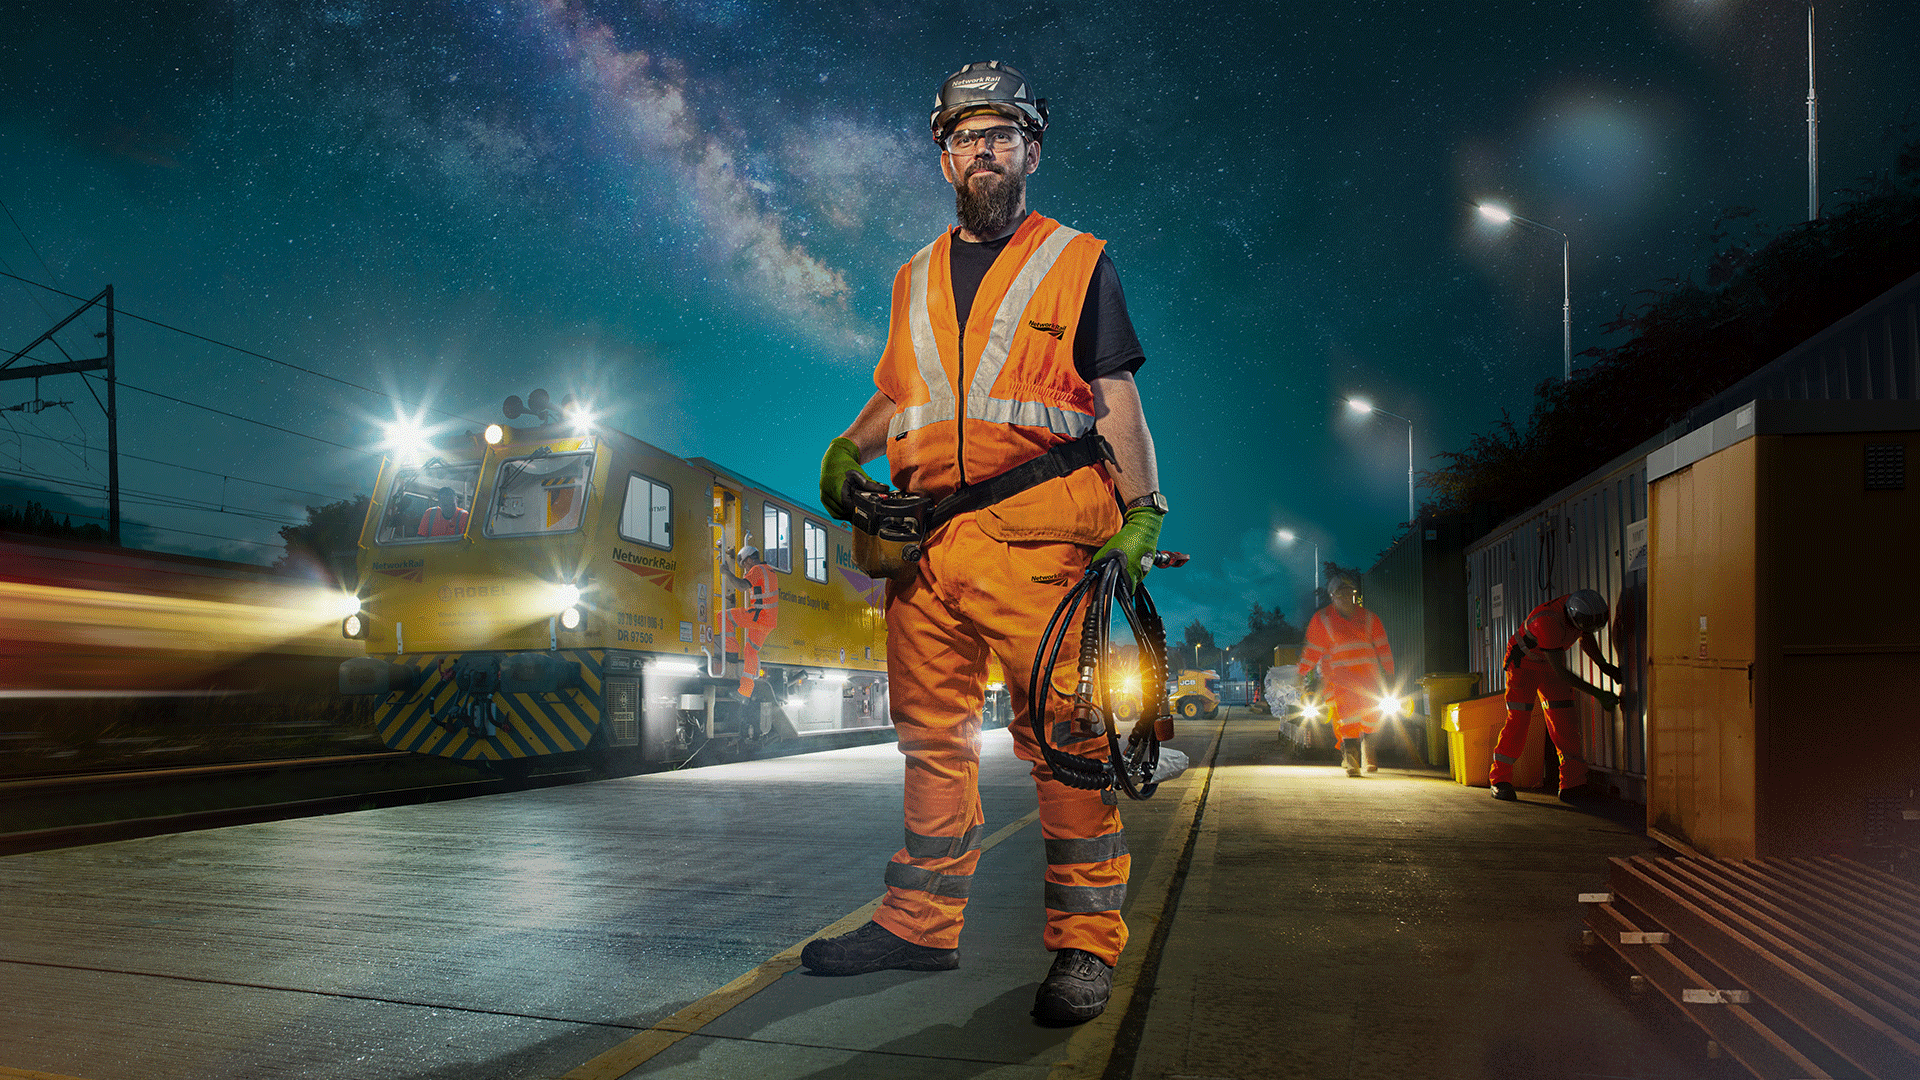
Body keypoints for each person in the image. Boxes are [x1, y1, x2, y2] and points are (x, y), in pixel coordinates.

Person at [805, 60, 1167, 1027]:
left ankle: (1085, 948)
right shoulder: (912, 276)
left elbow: (1117, 395)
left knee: (1067, 742)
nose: (984, 152)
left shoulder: (1080, 258)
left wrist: (1145, 509)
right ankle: (918, 924)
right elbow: (898, 393)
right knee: (931, 740)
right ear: (942, 156)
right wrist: (849, 447)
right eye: (966, 137)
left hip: (1038, 538)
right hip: (922, 546)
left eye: (1001, 136)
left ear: (1031, 152)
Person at [1491, 588, 1622, 802]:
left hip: (1548, 663)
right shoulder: (1548, 622)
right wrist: (1598, 693)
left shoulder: (1582, 610)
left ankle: (1573, 784)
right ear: (1573, 616)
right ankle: (1500, 779)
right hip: (1522, 665)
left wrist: (1604, 666)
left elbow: (1585, 637)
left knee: (1564, 723)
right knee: (1519, 721)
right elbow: (1562, 673)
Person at [1297, 572, 1396, 777]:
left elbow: (1383, 648)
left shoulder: (1369, 618)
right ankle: (1352, 762)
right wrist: (1302, 672)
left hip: (1369, 679)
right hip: (1342, 680)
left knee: (1371, 718)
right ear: (1332, 596)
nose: (1346, 598)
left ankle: (1369, 754)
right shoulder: (1323, 619)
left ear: (1355, 595)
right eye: (1341, 594)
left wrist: (1389, 672)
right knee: (1348, 718)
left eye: (1350, 593)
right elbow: (1313, 650)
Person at [723, 545, 778, 698]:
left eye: (744, 565)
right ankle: (745, 692)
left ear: (748, 559)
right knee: (750, 651)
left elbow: (741, 586)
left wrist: (726, 572)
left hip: (759, 616)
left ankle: (732, 652)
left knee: (723, 616)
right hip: (769, 621)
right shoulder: (770, 571)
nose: (745, 570)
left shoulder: (757, 570)